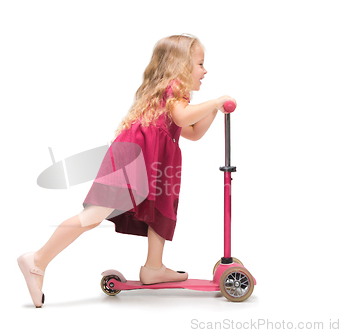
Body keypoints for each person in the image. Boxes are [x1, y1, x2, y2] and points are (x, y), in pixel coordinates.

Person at [17, 34, 237, 308]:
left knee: (160, 209)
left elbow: (191, 132)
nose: (205, 71)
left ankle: (154, 267)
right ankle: (37, 260)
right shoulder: (173, 90)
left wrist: (214, 111)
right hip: (135, 158)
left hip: (153, 160)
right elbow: (183, 117)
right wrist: (215, 102)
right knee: (94, 214)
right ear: (180, 66)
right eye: (200, 64)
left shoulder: (171, 96)